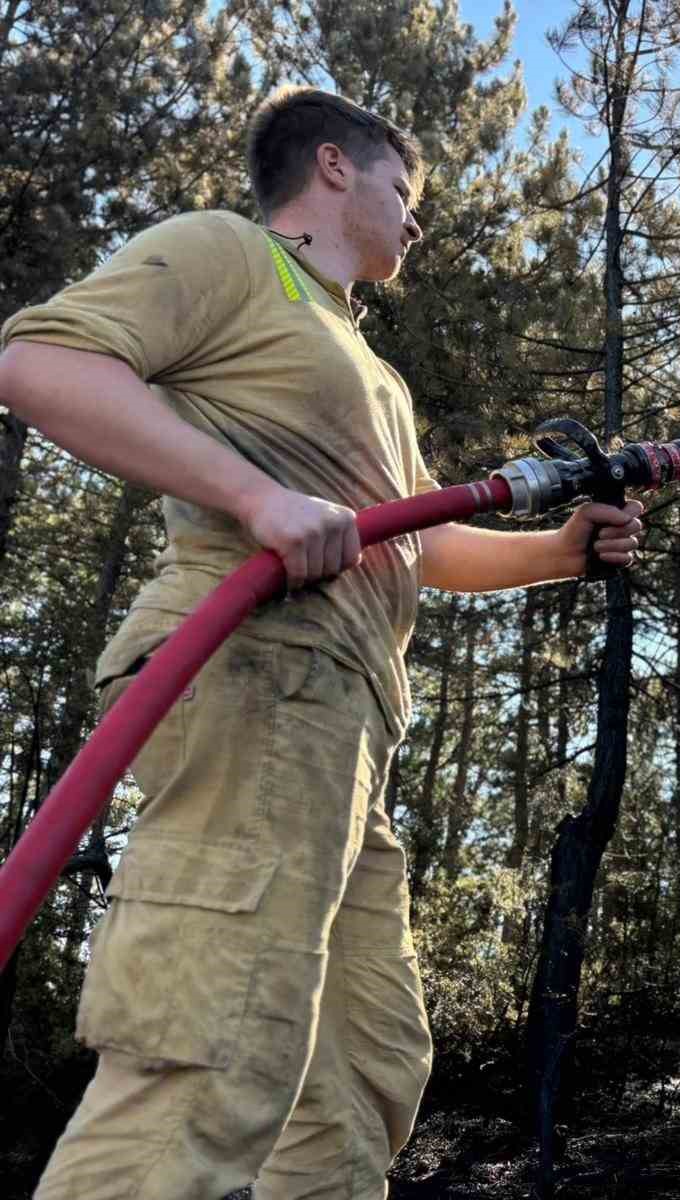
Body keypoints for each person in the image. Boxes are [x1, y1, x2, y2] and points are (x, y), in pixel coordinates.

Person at [0, 87, 643, 1199]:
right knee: (213, 1053)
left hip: (348, 739)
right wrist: (254, 500)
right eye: (408, 191)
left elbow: (405, 548)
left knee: (359, 1071)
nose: (418, 221)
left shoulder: (370, 369)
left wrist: (559, 550)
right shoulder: (231, 257)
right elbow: (41, 361)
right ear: (336, 168)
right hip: (251, 677)